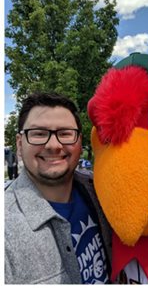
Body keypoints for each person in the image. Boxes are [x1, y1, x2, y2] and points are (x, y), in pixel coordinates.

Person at [5, 93, 111, 284]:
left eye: (65, 133)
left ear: (79, 142)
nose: (53, 145)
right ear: (20, 145)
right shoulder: (6, 231)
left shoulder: (101, 191)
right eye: (39, 134)